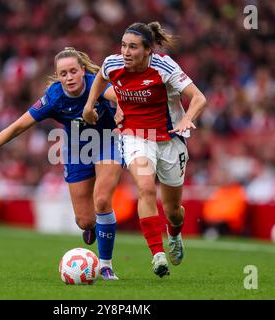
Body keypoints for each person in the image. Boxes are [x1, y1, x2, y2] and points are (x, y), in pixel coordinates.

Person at [0, 47, 123, 280]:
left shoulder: (95, 82)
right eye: (63, 73)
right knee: (85, 220)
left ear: (83, 71)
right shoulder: (54, 98)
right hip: (77, 149)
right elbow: (17, 126)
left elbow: (119, 96)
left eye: (73, 72)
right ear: (58, 76)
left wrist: (121, 114)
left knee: (102, 199)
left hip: (107, 140)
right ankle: (92, 228)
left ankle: (105, 265)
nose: (69, 78)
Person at [83, 22, 207, 277]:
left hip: (170, 139)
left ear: (148, 50)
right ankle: (158, 255)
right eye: (124, 45)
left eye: (133, 47)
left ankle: (174, 233)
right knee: (146, 188)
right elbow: (100, 78)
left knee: (173, 211)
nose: (126, 52)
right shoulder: (112, 63)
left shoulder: (164, 67)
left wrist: (187, 118)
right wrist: (89, 105)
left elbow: (199, 98)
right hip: (135, 136)